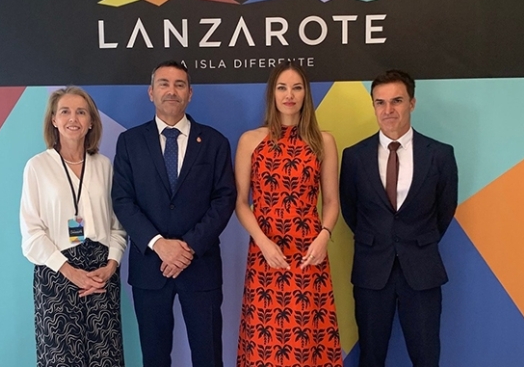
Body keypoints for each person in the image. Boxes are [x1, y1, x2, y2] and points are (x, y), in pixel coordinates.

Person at [111, 60, 236, 367]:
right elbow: (123, 200)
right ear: (151, 92)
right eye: (164, 84)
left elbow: (224, 199)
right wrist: (159, 244)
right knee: (154, 358)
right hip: (150, 268)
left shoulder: (214, 142)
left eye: (179, 84)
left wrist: (189, 246)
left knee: (208, 356)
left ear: (190, 94)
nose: (172, 90)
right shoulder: (130, 142)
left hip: (201, 266)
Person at [339, 70, 458, 367]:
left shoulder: (440, 155)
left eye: (397, 101)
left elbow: (444, 211)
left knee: (426, 356)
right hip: (371, 273)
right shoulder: (354, 157)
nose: (388, 110)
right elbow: (350, 210)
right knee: (371, 357)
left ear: (412, 103)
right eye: (380, 102)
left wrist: (414, 241)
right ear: (373, 105)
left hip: (421, 271)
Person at [235, 61, 343, 367]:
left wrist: (324, 237)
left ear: (305, 94)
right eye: (282, 87)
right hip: (266, 254)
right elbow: (241, 203)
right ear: (272, 94)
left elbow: (332, 201)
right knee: (264, 343)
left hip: (310, 253)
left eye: (297, 87)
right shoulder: (250, 141)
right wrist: (263, 243)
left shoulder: (323, 141)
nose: (289, 95)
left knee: (307, 339)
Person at [19, 86, 127, 367]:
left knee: (106, 357)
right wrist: (70, 271)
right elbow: (31, 233)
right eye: (64, 111)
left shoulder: (104, 166)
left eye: (81, 112)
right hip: (57, 276)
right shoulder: (37, 167)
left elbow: (118, 226)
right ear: (53, 119)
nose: (73, 118)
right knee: (62, 359)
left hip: (100, 276)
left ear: (91, 121)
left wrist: (111, 266)